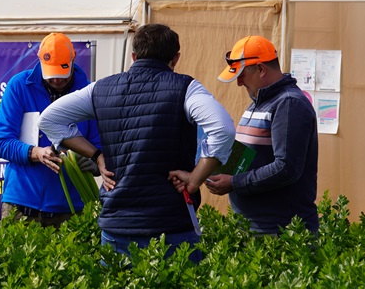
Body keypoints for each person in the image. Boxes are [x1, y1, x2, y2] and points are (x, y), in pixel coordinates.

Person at [40, 23, 235, 262]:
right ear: (175, 59)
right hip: (171, 224)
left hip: (116, 224)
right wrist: (195, 179)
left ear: (133, 56)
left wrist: (96, 156)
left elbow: (49, 119)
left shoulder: (101, 89)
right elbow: (223, 128)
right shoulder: (186, 88)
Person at [205, 35, 319, 236]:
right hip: (255, 227)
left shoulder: (289, 104)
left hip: (280, 231)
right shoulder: (259, 102)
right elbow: (247, 156)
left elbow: (286, 168)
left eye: (241, 75)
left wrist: (233, 183)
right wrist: (205, 171)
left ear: (261, 69)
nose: (239, 83)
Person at [0, 33, 101, 227]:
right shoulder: (19, 87)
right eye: (52, 75)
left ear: (73, 60)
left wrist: (94, 162)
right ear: (40, 61)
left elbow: (99, 147)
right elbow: (0, 143)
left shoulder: (89, 92)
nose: (57, 81)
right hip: (22, 205)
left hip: (71, 210)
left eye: (62, 75)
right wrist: (35, 153)